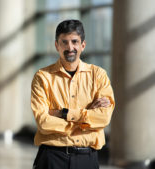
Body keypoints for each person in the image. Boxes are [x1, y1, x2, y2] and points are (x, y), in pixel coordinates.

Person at [31, 19, 115, 169]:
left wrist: (63, 113)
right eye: (64, 42)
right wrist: (87, 120)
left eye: (74, 41)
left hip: (87, 159)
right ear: (57, 45)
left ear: (83, 45)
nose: (70, 47)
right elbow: (43, 122)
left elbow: (103, 118)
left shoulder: (99, 75)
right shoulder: (42, 77)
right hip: (52, 158)